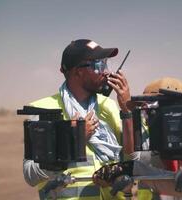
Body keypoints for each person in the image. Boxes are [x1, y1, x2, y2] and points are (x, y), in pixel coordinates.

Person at [22, 39, 139, 200]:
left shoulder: (110, 107)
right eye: (98, 65)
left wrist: (127, 111)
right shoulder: (42, 110)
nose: (106, 71)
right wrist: (73, 142)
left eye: (106, 64)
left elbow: (132, 161)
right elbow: (30, 175)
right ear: (78, 71)